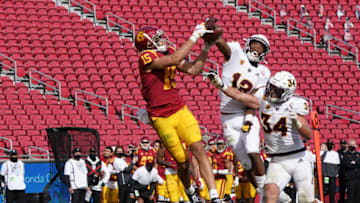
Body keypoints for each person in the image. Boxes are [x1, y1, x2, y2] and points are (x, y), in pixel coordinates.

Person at [134, 19, 220, 202]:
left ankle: (215, 196)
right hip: (160, 117)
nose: (163, 40)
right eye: (157, 38)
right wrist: (196, 34)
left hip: (180, 109)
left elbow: (195, 70)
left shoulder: (169, 53)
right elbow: (172, 60)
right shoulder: (145, 57)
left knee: (198, 148)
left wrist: (206, 47)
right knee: (182, 161)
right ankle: (190, 192)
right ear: (148, 44)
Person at [208, 71, 316, 202]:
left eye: (278, 90)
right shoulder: (262, 97)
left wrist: (297, 122)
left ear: (287, 92)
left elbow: (308, 135)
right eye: (272, 87)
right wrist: (221, 85)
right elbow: (240, 96)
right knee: (268, 195)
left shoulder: (294, 104)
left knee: (306, 200)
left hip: (298, 158)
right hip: (278, 159)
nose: (272, 92)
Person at [207, 32, 271, 196]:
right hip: (227, 117)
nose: (257, 49)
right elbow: (224, 47)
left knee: (252, 150)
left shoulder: (264, 72)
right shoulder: (236, 54)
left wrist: (249, 118)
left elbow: (254, 101)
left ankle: (264, 190)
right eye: (255, 44)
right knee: (246, 164)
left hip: (246, 113)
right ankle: (259, 190)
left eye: (261, 47)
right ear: (248, 44)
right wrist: (214, 33)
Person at [342, 139, 360, 203]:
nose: (352, 146)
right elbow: (347, 165)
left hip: (358, 178)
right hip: (350, 179)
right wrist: (356, 164)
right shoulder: (346, 155)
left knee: (358, 197)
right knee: (351, 197)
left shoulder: (358, 154)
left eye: (353, 144)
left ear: (356, 145)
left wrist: (354, 163)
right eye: (350, 144)